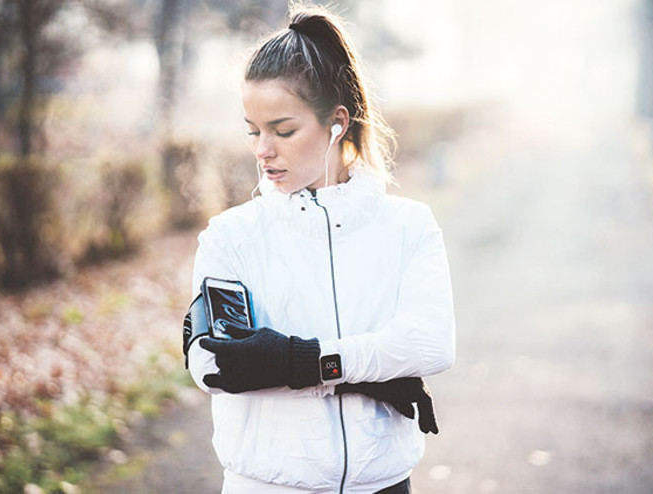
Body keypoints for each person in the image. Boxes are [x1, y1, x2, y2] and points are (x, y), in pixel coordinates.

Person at [185, 5, 455, 493]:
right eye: (253, 130)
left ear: (338, 122)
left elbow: (430, 342)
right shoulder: (232, 237)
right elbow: (214, 364)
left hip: (384, 485)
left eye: (282, 130)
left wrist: (303, 361)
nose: (262, 149)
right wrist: (367, 371)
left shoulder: (408, 226)